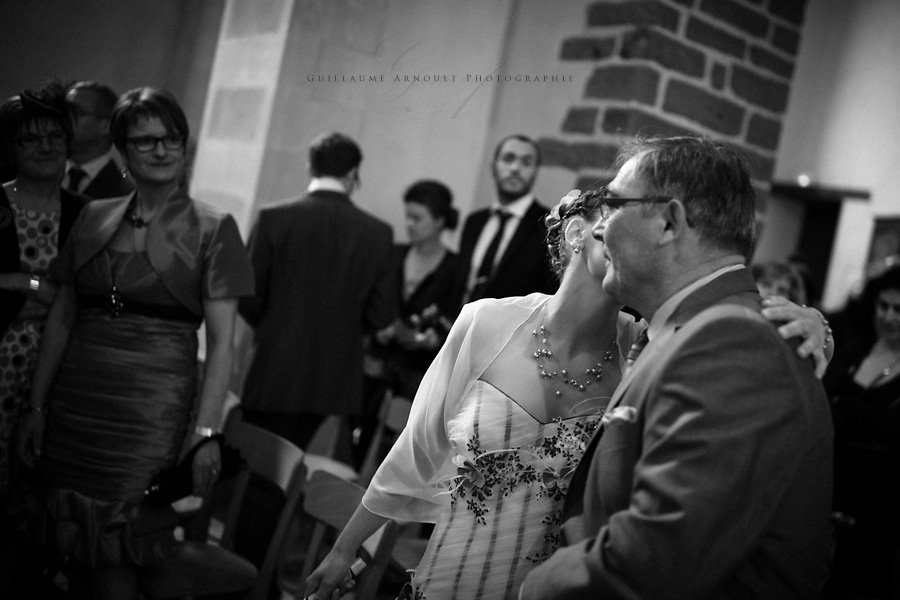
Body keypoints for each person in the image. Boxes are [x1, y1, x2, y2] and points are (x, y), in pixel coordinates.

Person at [304, 183, 833, 600]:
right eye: (614, 229)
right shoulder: (486, 322)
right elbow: (414, 454)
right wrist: (345, 549)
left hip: (562, 586)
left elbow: (726, 337)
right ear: (579, 231)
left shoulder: (644, 347)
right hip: (451, 577)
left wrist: (812, 325)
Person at [522, 135, 835, 599]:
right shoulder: (680, 330)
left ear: (669, 222)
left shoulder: (733, 344)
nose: (598, 229)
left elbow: (658, 559)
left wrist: (536, 588)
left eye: (611, 207)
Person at [15, 86, 254, 600]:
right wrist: (37, 406)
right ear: (122, 149)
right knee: (80, 548)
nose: (162, 150)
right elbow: (62, 315)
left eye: (173, 139)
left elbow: (224, 344)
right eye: (146, 141)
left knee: (127, 534)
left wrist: (207, 431)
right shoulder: (94, 215)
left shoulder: (214, 227)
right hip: (77, 402)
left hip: (149, 409)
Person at [238, 131, 395, 449]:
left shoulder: (273, 218)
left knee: (252, 464)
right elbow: (381, 314)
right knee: (304, 479)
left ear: (310, 167)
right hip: (335, 382)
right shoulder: (378, 233)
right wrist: (343, 330)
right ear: (353, 172)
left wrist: (276, 326)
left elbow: (247, 296)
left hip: (274, 368)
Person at [0, 80, 88, 596]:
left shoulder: (85, 211)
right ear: (10, 147)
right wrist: (22, 282)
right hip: (2, 354)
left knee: (38, 493)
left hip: (59, 365)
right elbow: (46, 287)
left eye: (55, 137)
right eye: (31, 139)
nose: (46, 148)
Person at [823, 263, 900, 599]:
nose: (888, 316)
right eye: (883, 306)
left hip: (882, 493)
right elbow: (824, 403)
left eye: (899, 309)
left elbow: (893, 429)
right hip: (831, 472)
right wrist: (871, 416)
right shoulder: (854, 348)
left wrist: (847, 405)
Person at [373, 179, 460, 399]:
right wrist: (378, 330)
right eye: (408, 217)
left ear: (440, 221)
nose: (410, 224)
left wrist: (431, 339)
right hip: (377, 366)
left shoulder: (454, 267)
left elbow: (454, 315)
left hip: (418, 374)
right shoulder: (393, 254)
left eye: (417, 218)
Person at [456, 134, 557, 304]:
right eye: (508, 159)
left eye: (526, 162)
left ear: (535, 172)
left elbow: (549, 295)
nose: (515, 168)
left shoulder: (548, 225)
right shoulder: (474, 222)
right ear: (493, 166)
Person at [63, 81, 134, 199]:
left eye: (76, 112)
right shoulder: (44, 173)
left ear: (106, 126)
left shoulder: (125, 193)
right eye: (64, 111)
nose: (65, 118)